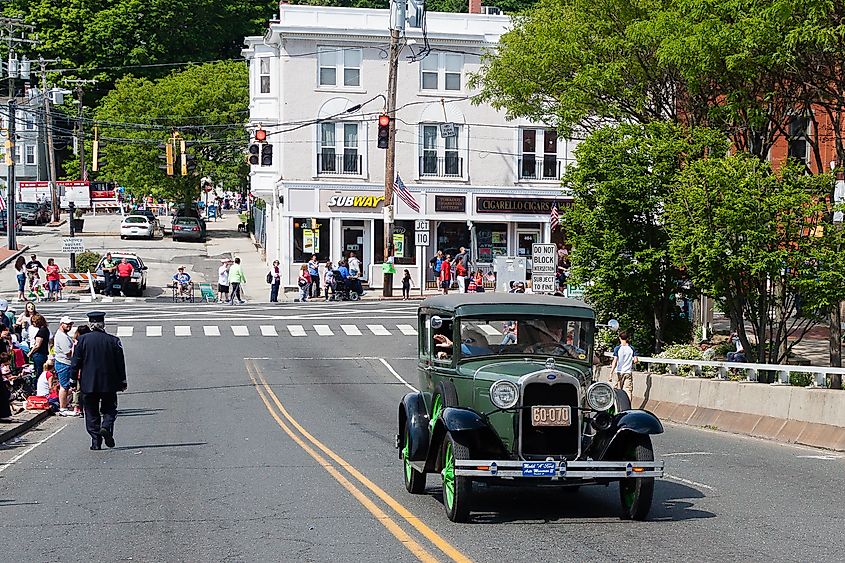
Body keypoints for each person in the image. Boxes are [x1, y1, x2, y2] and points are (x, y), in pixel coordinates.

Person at [71, 311, 127, 451]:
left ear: (90, 324)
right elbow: (120, 362)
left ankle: (96, 441)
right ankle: (106, 426)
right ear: (103, 324)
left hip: (88, 382)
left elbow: (75, 362)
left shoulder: (82, 340)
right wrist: (123, 380)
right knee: (109, 409)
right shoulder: (113, 340)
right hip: (109, 382)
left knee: (91, 412)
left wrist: (72, 379)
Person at [54, 316, 78, 417]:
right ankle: (62, 408)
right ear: (61, 324)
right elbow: (68, 352)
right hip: (64, 363)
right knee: (64, 387)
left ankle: (64, 405)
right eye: (67, 324)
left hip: (65, 362)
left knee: (67, 386)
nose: (69, 326)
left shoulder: (64, 335)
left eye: (70, 324)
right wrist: (75, 346)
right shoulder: (61, 337)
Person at [609, 331, 638, 402]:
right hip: (628, 372)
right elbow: (636, 360)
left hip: (618, 372)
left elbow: (615, 361)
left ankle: (617, 406)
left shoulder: (617, 348)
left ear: (620, 338)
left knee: (617, 390)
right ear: (627, 338)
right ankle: (628, 407)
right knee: (628, 390)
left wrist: (611, 373)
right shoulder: (631, 348)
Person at [27, 313, 50, 380]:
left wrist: (30, 353)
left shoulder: (41, 331)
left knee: (38, 371)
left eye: (34, 322)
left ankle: (37, 386)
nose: (33, 324)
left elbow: (37, 345)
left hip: (39, 354)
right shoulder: (46, 329)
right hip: (44, 353)